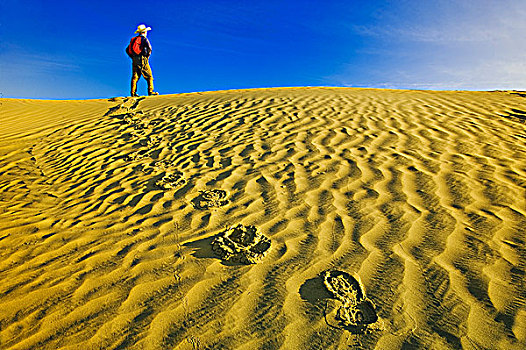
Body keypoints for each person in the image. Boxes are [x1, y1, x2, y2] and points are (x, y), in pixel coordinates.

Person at [126, 24, 159, 97]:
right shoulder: (144, 39)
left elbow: (127, 50)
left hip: (134, 59)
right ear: (144, 32)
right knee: (149, 76)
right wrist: (146, 57)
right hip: (142, 58)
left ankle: (133, 93)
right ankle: (151, 92)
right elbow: (149, 48)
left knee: (135, 76)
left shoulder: (133, 39)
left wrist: (133, 57)